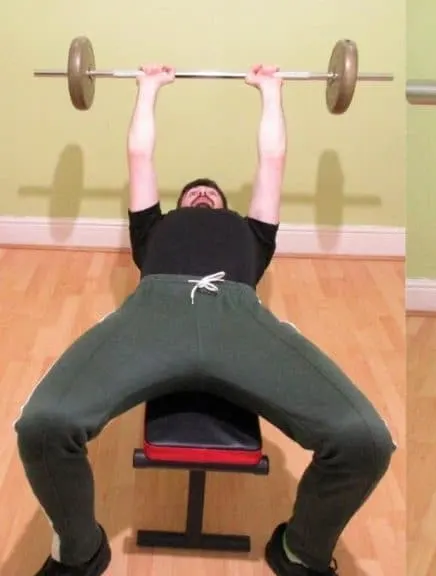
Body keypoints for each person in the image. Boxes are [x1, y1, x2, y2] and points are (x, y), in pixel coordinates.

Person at [14, 64, 395, 576]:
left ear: (228, 209)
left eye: (210, 194)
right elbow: (140, 154)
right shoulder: (154, 230)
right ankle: (77, 551)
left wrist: (271, 92)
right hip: (154, 313)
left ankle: (302, 551)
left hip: (237, 316)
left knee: (365, 440)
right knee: (42, 426)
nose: (201, 194)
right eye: (192, 193)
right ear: (172, 209)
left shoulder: (253, 234)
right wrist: (148, 90)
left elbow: (273, 158)